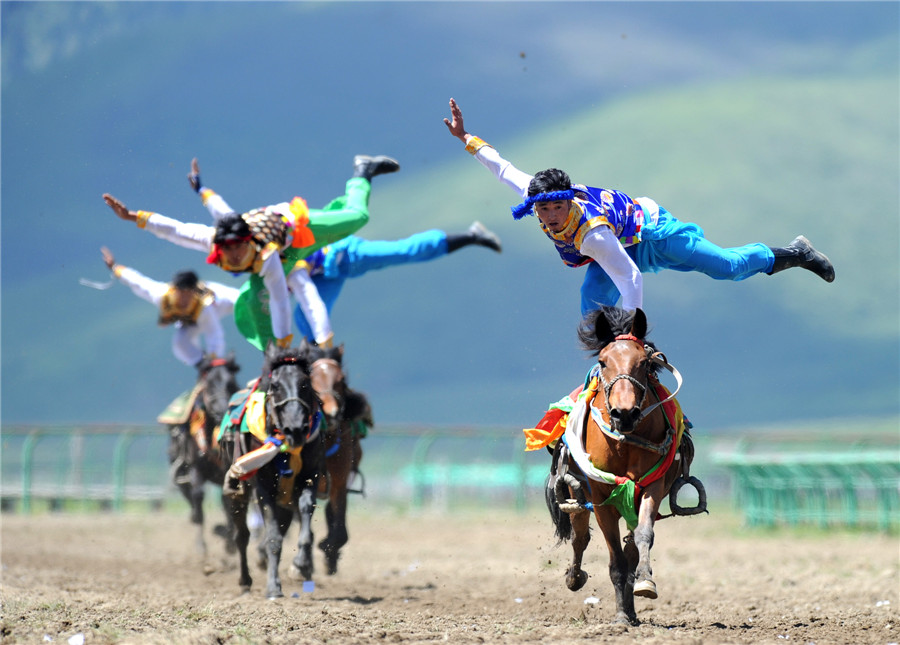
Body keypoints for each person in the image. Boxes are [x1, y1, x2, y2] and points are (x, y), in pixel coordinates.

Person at [443, 98, 835, 316]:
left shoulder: (591, 232)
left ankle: (796, 253)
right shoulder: (537, 195)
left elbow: (631, 279)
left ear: (568, 202)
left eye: (555, 209)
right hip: (615, 245)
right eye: (541, 210)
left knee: (727, 268)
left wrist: (634, 333)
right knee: (592, 309)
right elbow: (502, 168)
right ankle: (597, 384)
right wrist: (465, 137)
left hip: (650, 232)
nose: (547, 216)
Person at [103, 154, 399, 350]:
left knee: (358, 218)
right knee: (257, 312)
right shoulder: (215, 239)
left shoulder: (265, 253)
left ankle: (362, 172)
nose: (232, 255)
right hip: (269, 265)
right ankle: (275, 362)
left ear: (247, 242)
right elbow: (177, 229)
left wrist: (289, 339)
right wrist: (133, 216)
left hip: (298, 234)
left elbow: (282, 301)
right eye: (228, 248)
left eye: (238, 247)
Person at [289, 225, 502, 341]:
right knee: (303, 318)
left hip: (347, 255)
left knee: (404, 251)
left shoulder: (282, 258)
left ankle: (472, 235)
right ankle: (316, 369)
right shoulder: (268, 274)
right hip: (326, 274)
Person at [100, 246, 238, 367]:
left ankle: (212, 366)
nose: (184, 297)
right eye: (180, 292)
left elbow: (214, 333)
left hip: (223, 302)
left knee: (244, 302)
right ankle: (202, 365)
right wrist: (115, 267)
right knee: (180, 342)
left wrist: (215, 360)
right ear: (174, 290)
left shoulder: (204, 305)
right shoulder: (162, 295)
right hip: (191, 322)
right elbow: (138, 282)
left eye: (188, 293)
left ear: (194, 292)